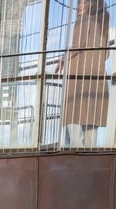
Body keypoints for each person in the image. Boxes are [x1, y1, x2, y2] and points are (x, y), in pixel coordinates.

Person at [57, 0, 110, 148]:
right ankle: (90, 168)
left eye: (84, 3)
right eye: (79, 3)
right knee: (90, 131)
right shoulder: (103, 21)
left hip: (78, 81)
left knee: (72, 124)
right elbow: (106, 54)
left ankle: (75, 167)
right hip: (97, 81)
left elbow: (77, 46)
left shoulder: (83, 22)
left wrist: (63, 59)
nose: (79, 6)